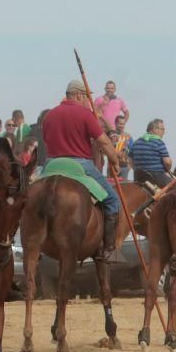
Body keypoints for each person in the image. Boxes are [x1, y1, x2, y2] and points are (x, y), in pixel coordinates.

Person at [42, 79, 121, 260]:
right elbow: (103, 142)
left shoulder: (50, 115)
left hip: (52, 165)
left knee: (26, 197)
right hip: (80, 164)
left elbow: (47, 140)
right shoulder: (85, 115)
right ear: (78, 95)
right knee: (112, 201)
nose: (88, 101)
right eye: (87, 97)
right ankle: (109, 249)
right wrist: (115, 161)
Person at [131, 119, 172, 187]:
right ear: (154, 129)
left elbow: (130, 161)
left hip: (138, 178)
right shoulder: (159, 143)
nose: (164, 132)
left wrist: (138, 169)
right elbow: (167, 162)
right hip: (156, 177)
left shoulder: (136, 143)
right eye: (162, 129)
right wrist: (167, 170)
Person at [109, 115, 133, 180]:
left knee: (124, 186)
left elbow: (132, 151)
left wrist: (130, 165)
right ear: (115, 123)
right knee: (113, 185)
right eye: (120, 124)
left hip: (124, 166)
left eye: (123, 124)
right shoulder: (111, 134)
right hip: (113, 165)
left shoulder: (128, 136)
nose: (122, 126)